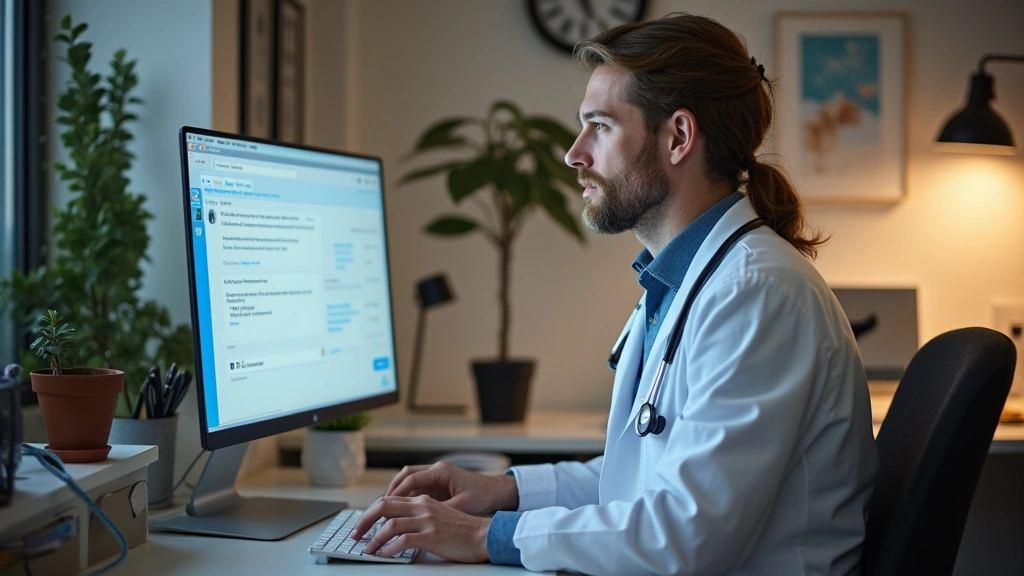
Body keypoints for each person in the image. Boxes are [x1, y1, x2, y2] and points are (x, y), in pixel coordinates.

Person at [350, 12, 878, 575]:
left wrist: (486, 535)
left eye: (599, 126)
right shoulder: (685, 280)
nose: (574, 153)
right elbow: (641, 478)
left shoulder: (757, 294)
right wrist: (501, 490)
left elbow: (684, 534)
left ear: (678, 136)